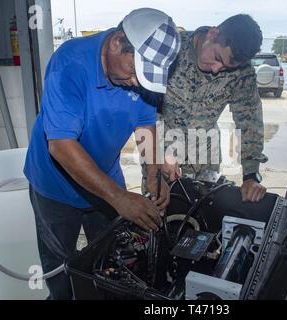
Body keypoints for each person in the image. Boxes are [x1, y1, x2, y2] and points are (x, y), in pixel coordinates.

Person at [23, 8, 181, 300]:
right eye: (135, 72)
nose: (137, 83)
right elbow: (60, 145)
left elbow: (146, 128)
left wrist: (154, 175)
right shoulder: (69, 64)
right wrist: (120, 198)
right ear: (117, 42)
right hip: (54, 188)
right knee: (62, 269)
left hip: (105, 178)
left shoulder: (138, 77)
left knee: (116, 260)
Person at [144, 14, 278, 228]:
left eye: (226, 68)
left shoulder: (242, 72)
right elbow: (144, 107)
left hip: (205, 157)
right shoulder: (170, 50)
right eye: (217, 57)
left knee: (205, 222)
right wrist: (159, 154)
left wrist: (251, 174)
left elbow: (250, 119)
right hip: (160, 155)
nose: (217, 69)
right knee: (157, 222)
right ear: (213, 33)